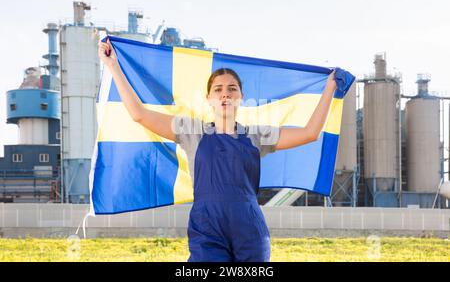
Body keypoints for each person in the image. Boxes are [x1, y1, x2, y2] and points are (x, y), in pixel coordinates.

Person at [98, 38, 337, 262]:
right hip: (207, 226)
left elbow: (309, 133)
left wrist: (329, 89)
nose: (225, 94)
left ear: (241, 96)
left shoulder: (256, 136)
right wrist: (113, 67)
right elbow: (140, 114)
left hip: (249, 227)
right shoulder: (191, 132)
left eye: (232, 89)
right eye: (219, 89)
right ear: (209, 98)